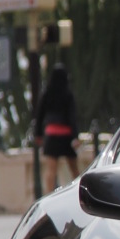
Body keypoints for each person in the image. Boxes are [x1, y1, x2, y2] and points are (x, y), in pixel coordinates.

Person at [34, 63, 80, 194]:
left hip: (52, 133)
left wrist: (38, 134)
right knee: (74, 169)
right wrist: (75, 137)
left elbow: (39, 115)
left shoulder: (47, 93)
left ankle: (48, 194)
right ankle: (79, 194)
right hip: (66, 134)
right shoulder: (68, 94)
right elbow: (72, 117)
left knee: (51, 170)